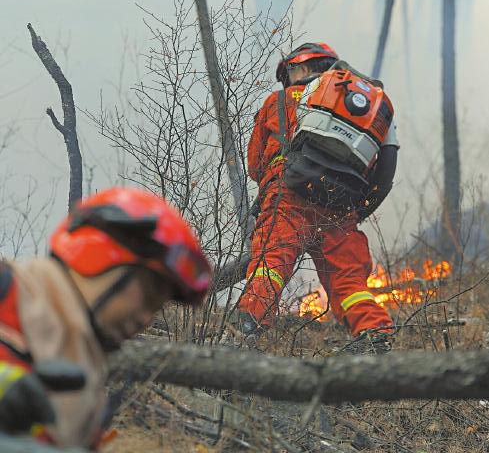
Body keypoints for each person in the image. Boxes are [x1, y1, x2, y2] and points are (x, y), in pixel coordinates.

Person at [0, 187, 211, 448]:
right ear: (99, 256)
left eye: (157, 307)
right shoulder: (6, 292)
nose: (147, 318)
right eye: (147, 294)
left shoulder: (87, 386)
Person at [237, 42, 399, 352]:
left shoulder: (280, 100)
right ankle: (374, 335)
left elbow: (256, 165)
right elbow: (383, 174)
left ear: (304, 67)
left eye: (291, 71)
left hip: (289, 195)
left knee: (271, 264)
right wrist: (355, 209)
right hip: (341, 205)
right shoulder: (364, 109)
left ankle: (245, 331)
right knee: (349, 280)